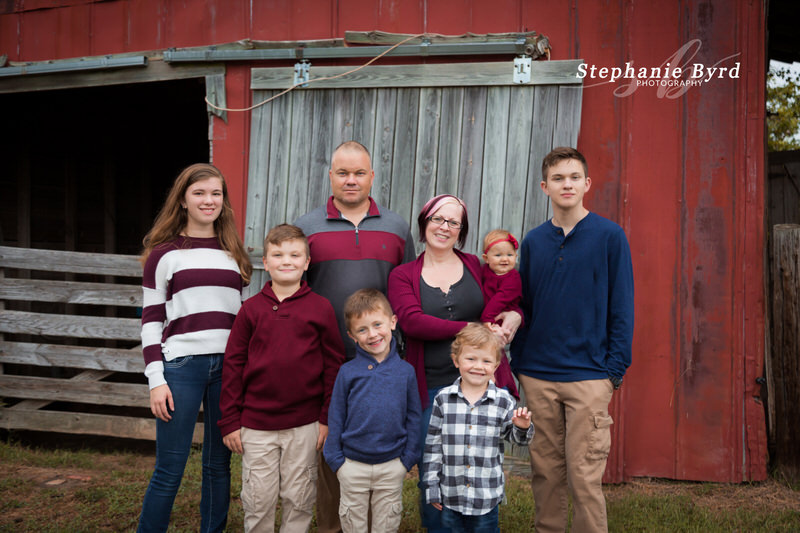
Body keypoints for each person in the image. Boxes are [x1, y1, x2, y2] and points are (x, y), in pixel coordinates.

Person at [510, 147, 634, 533]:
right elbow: (525, 304)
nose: (567, 184)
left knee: (584, 476)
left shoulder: (609, 236)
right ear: (545, 186)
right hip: (539, 375)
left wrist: (612, 372)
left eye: (574, 177)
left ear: (587, 184)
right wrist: (521, 364)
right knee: (545, 472)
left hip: (589, 376)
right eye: (559, 178)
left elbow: (622, 306)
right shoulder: (533, 242)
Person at [294, 140, 416, 533]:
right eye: (342, 173)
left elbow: (408, 290)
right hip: (326, 359)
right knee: (333, 441)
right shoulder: (307, 227)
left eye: (359, 173)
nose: (351, 180)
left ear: (371, 177)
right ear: (330, 176)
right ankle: (334, 525)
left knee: (377, 438)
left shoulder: (396, 228)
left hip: (382, 360)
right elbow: (297, 291)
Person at [387, 194, 522, 532]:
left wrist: (515, 317)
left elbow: (508, 297)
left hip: (480, 383)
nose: (444, 227)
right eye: (438, 219)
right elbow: (412, 321)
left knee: (476, 470)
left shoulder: (478, 268)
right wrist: (473, 326)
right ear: (424, 222)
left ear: (462, 231)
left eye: (453, 222)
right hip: (430, 386)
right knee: (433, 470)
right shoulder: (403, 275)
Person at [138, 163, 253, 533]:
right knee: (170, 467)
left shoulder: (233, 251)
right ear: (183, 200)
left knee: (218, 465)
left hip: (230, 368)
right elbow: (151, 320)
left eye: (216, 193)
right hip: (181, 367)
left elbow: (240, 318)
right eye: (199, 193)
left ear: (224, 200)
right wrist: (156, 378)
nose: (209, 200)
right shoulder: (164, 253)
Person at [218, 224, 345, 533]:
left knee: (299, 498)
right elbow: (233, 365)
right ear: (266, 261)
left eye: (294, 255)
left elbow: (333, 365)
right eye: (278, 254)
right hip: (256, 424)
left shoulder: (320, 308)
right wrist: (230, 420)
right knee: (258, 499)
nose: (286, 261)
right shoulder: (250, 310)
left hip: (304, 424)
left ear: (306, 262)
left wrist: (326, 418)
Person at [323, 289, 421, 533]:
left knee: (385, 524)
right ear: (352, 336)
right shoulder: (347, 372)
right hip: (352, 465)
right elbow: (336, 416)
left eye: (378, 324)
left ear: (393, 322)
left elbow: (413, 417)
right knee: (353, 524)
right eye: (362, 329)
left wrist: (407, 459)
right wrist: (337, 461)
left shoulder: (406, 372)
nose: (373, 334)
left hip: (392, 464)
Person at [422, 323, 533, 533]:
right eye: (471, 359)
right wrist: (432, 488)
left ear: (496, 365)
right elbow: (433, 446)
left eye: (486, 361)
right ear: (456, 360)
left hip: (486, 497)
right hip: (450, 495)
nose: (478, 366)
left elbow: (518, 440)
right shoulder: (443, 399)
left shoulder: (503, 401)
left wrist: (522, 427)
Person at [479, 229, 522, 327]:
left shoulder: (513, 279)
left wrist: (487, 318)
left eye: (510, 255)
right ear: (486, 259)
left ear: (516, 256)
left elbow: (499, 300)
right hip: (484, 318)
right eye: (498, 255)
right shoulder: (484, 270)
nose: (505, 259)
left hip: (500, 321)